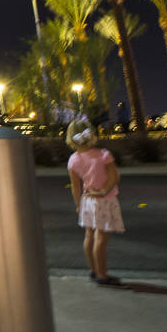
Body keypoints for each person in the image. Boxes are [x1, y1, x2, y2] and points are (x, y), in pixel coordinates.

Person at [66, 118, 125, 286]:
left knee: (89, 236)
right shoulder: (103, 154)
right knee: (101, 239)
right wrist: (103, 191)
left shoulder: (73, 160)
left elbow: (75, 187)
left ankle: (93, 270)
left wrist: (78, 204)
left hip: (87, 201)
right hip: (103, 200)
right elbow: (114, 177)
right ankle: (102, 275)